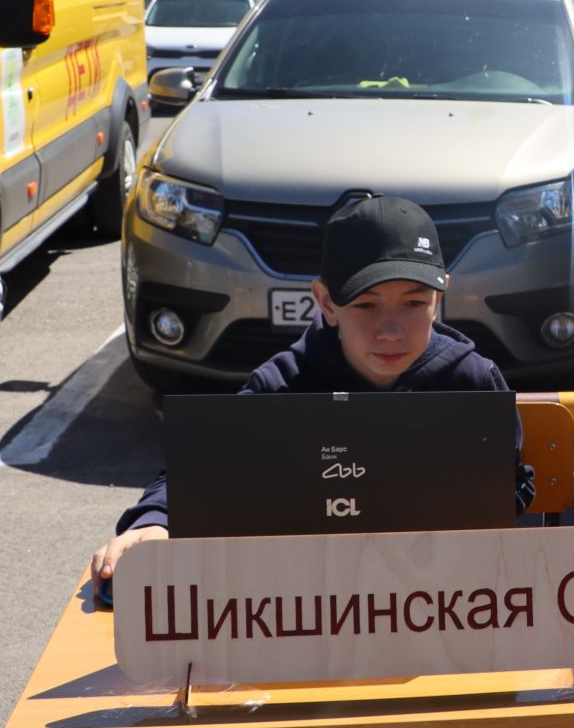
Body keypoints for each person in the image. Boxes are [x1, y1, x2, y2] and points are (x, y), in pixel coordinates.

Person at [88, 195, 535, 585]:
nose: (391, 329)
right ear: (326, 303)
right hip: (309, 607)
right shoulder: (281, 387)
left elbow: (509, 487)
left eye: (415, 302)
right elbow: (200, 473)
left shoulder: (475, 385)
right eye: (365, 305)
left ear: (440, 299)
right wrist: (155, 523)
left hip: (441, 606)